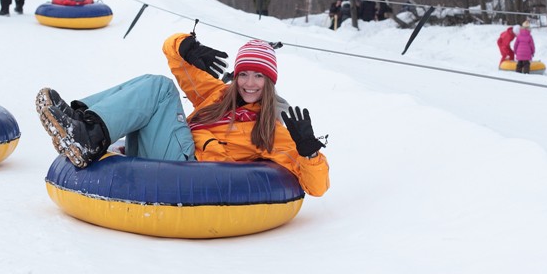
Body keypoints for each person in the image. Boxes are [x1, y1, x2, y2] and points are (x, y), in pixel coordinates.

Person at [34, 33, 330, 198]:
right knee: (150, 81)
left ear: (270, 82)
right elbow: (172, 54)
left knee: (159, 87)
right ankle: (79, 120)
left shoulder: (271, 126)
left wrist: (309, 151)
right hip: (167, 157)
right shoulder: (218, 95)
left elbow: (317, 188)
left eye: (259, 77)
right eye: (244, 75)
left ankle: (87, 137)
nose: (249, 83)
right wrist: (186, 45)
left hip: (190, 171)